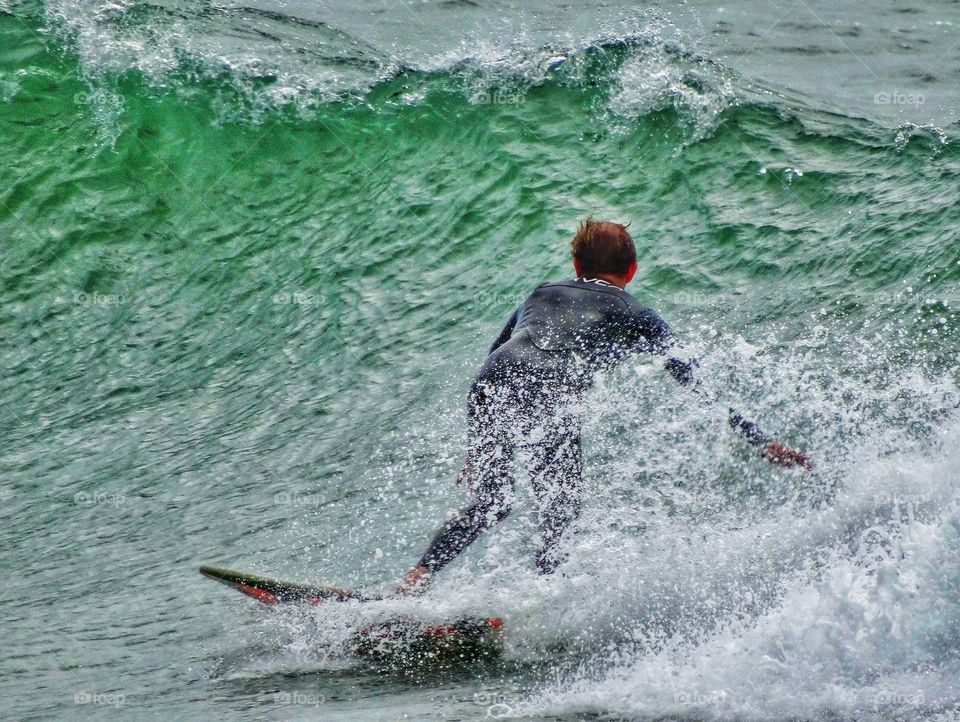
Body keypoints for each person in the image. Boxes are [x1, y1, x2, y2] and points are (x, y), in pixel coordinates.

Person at [398, 217, 811, 594]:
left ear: (577, 266)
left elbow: (497, 352)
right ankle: (541, 599)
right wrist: (759, 440)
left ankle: (419, 575)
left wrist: (481, 448)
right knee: (559, 509)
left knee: (493, 502)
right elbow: (694, 381)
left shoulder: (542, 292)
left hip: (492, 381)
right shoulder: (635, 312)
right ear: (632, 271)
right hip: (550, 386)